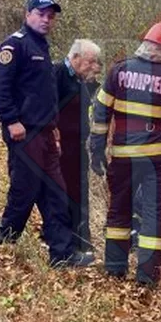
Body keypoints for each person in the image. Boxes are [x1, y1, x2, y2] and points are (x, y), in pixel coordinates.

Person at [0, 0, 93, 268]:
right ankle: (2, 243)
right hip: (25, 134)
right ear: (28, 14)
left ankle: (62, 254)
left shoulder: (42, 48)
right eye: (41, 14)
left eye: (51, 16)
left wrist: (53, 127)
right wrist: (11, 120)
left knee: (56, 193)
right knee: (24, 191)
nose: (46, 20)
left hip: (45, 133)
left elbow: (44, 95)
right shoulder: (15, 45)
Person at [90, 22, 161, 286]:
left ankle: (114, 270)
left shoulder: (119, 71)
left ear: (145, 42)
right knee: (154, 217)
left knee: (118, 211)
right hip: (159, 161)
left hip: (123, 157)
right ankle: (147, 279)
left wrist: (96, 149)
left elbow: (100, 112)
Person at [54, 39, 103, 252]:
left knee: (79, 194)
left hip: (78, 147)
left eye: (95, 62)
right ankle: (65, 243)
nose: (94, 66)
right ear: (75, 58)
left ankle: (82, 241)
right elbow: (46, 107)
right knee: (61, 194)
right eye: (89, 61)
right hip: (61, 147)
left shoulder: (81, 80)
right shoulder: (57, 74)